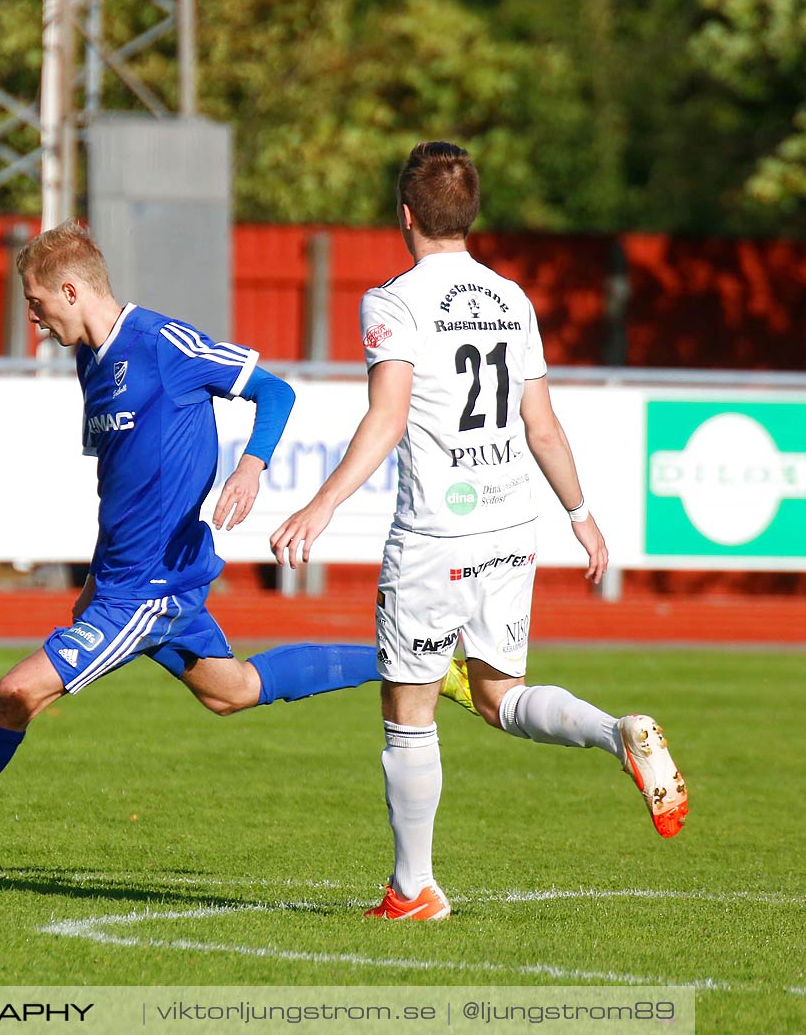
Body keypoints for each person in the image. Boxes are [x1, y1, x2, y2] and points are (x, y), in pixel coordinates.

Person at [0, 220, 401, 872]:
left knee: (16, 693)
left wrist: (251, 465)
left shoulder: (163, 344)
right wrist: (90, 583)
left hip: (148, 589)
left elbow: (273, 391)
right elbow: (121, 486)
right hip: (126, 581)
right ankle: (412, 663)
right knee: (235, 691)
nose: (33, 319)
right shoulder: (91, 362)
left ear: (72, 291)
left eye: (36, 302)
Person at [270, 141, 688, 923]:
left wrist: (321, 504)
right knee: (499, 697)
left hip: (436, 533)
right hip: (511, 524)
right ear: (471, 215)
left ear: (405, 216)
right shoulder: (511, 298)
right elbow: (543, 425)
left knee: (409, 714)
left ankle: (413, 888)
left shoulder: (393, 301)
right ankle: (617, 732)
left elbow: (388, 416)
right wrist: (581, 516)